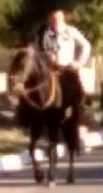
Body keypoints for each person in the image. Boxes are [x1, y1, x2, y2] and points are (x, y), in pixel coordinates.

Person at [36, 9, 91, 149]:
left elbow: (86, 45)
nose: (55, 21)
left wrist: (79, 62)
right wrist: (46, 57)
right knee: (36, 96)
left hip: (67, 70)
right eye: (53, 18)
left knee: (78, 96)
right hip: (49, 71)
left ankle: (78, 129)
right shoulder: (43, 33)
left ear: (63, 19)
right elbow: (36, 50)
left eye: (58, 19)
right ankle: (41, 130)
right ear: (49, 19)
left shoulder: (70, 31)